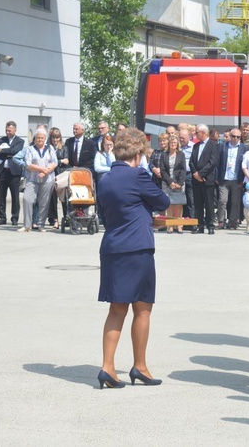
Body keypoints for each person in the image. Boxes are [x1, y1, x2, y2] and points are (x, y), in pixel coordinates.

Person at [96, 128, 170, 388]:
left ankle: (107, 367)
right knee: (142, 308)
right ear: (139, 154)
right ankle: (140, 366)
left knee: (116, 309)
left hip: (112, 248)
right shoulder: (138, 175)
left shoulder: (104, 180)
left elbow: (105, 216)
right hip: (137, 249)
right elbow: (163, 200)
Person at [18, 128, 57, 232]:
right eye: (38, 137)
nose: (40, 139)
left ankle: (41, 225)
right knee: (27, 199)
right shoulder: (30, 149)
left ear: (45, 138)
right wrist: (41, 169)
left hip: (48, 179)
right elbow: (28, 164)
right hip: (32, 179)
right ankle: (27, 225)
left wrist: (45, 172)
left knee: (44, 202)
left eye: (42, 138)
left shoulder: (50, 148)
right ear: (35, 138)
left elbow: (54, 162)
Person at [189, 124, 220, 235]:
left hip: (207, 179)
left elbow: (213, 162)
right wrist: (195, 174)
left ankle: (210, 225)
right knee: (198, 204)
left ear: (203, 133)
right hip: (196, 180)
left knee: (209, 203)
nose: (195, 134)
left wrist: (201, 174)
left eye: (197, 132)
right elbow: (191, 161)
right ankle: (199, 225)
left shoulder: (214, 145)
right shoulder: (196, 146)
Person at [216, 128, 247, 229]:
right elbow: (217, 163)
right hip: (224, 178)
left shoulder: (244, 148)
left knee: (235, 202)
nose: (236, 138)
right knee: (222, 201)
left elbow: (246, 165)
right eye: (234, 136)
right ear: (230, 136)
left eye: (238, 137)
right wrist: (217, 177)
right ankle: (221, 221)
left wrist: (243, 180)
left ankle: (232, 222)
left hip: (236, 179)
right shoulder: (222, 147)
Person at [0, 122, 24, 226]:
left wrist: (2, 150)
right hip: (2, 171)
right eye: (6, 130)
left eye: (9, 130)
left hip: (14, 173)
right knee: (1, 196)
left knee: (15, 197)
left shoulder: (20, 141)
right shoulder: (1, 140)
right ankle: (2, 217)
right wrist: (6, 152)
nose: (7, 132)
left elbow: (15, 151)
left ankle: (14, 218)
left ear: (15, 130)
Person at [160, 134, 186, 233]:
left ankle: (179, 225)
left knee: (178, 204)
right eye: (171, 143)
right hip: (167, 183)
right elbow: (162, 170)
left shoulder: (181, 154)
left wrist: (179, 183)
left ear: (177, 144)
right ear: (168, 144)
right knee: (169, 204)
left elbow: (183, 169)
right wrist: (170, 182)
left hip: (179, 182)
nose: (173, 144)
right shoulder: (164, 155)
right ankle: (170, 225)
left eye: (175, 142)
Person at [48, 127, 70, 229]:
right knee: (52, 199)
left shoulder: (64, 147)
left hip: (61, 175)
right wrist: (60, 161)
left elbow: (67, 161)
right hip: (51, 175)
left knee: (64, 198)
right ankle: (55, 220)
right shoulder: (48, 148)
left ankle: (66, 218)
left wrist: (56, 162)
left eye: (57, 138)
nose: (55, 140)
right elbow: (49, 162)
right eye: (53, 138)